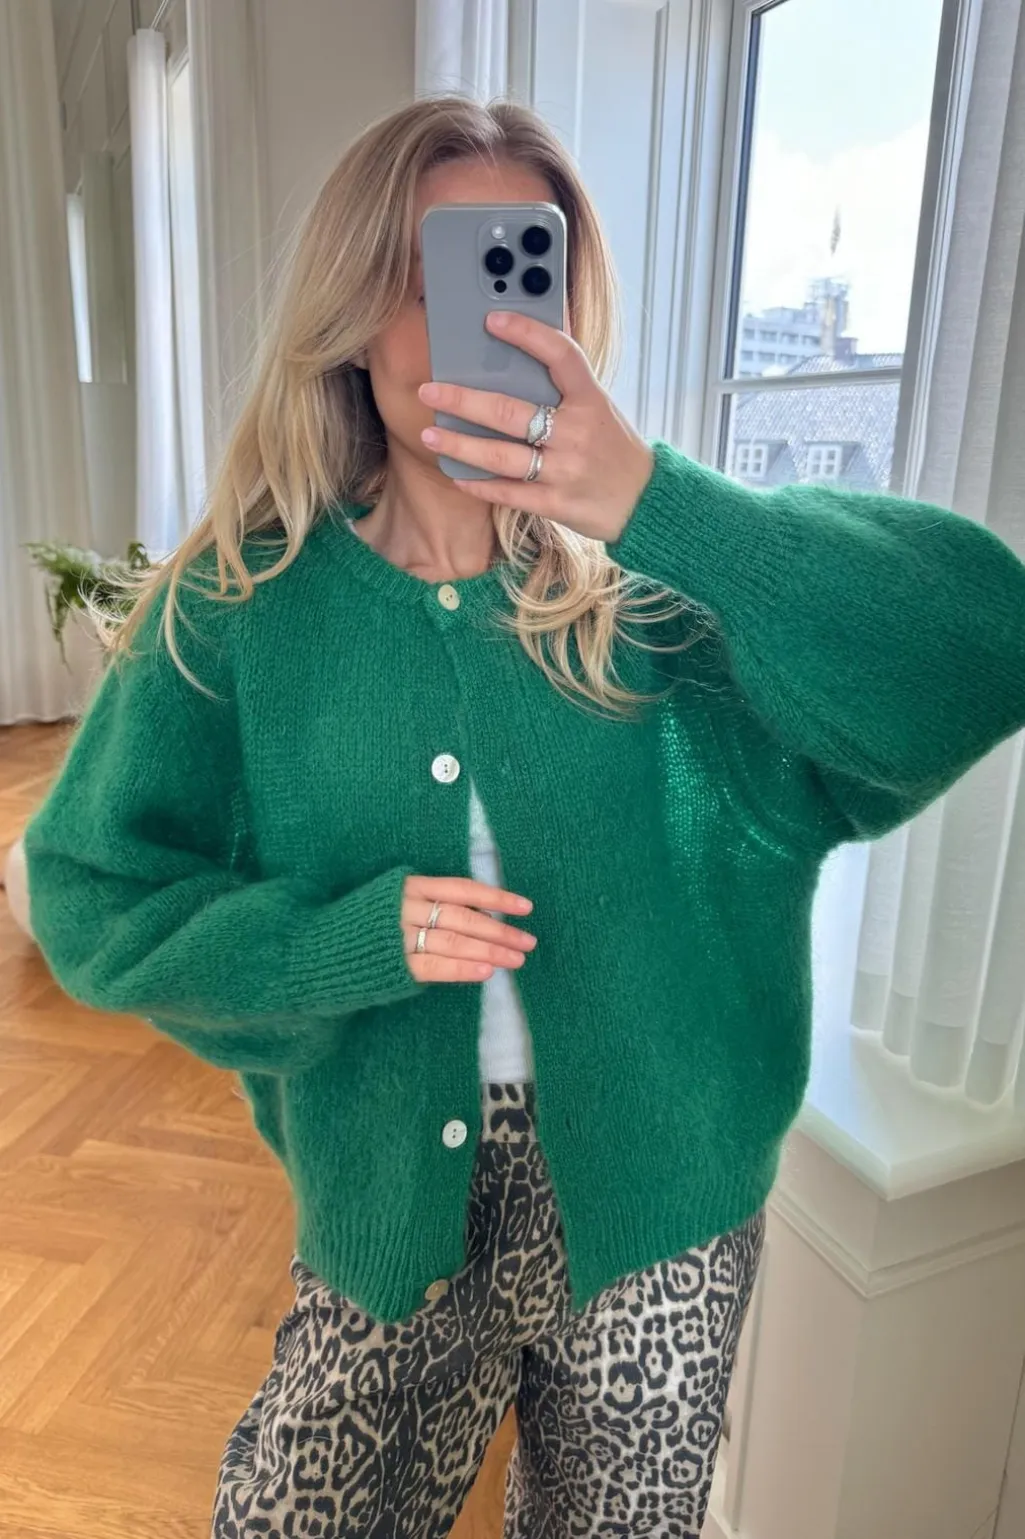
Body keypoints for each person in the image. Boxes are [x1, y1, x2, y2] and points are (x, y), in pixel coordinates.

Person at [22, 95, 1025, 1539]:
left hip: (660, 1199)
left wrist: (657, 500)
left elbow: (981, 642)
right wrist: (349, 942)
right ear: (350, 318)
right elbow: (91, 890)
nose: (465, 319)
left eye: (507, 267)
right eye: (420, 271)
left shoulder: (657, 606)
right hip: (389, 1197)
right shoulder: (245, 606)